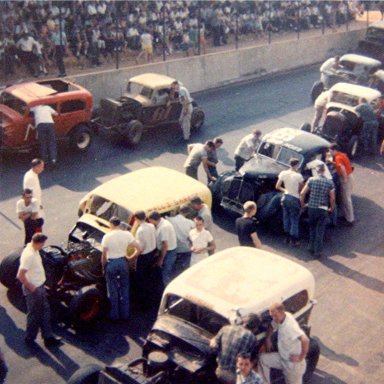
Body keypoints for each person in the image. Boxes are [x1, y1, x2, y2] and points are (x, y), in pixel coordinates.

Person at [17, 233, 62, 348]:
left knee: (45, 312)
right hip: (34, 290)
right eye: (42, 244)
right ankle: (30, 339)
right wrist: (31, 287)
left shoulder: (33, 249)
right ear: (39, 243)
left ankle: (48, 337)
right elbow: (20, 275)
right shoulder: (29, 255)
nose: (43, 246)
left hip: (39, 287)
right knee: (34, 315)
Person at [101, 217, 141, 320]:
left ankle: (114, 315)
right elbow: (139, 248)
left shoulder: (107, 236)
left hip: (112, 263)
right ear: (119, 224)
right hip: (123, 262)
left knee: (112, 289)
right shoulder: (126, 234)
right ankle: (125, 314)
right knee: (124, 287)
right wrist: (130, 259)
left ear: (111, 224)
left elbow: (104, 255)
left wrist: (103, 267)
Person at [258, 303, 309, 384]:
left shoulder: (290, 327)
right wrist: (268, 338)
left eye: (275, 315)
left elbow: (305, 339)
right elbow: (272, 325)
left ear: (282, 312)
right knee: (262, 359)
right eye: (272, 316)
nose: (273, 318)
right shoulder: (281, 318)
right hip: (282, 357)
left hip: (293, 365)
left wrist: (301, 357)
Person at [210, 314, 260, 384]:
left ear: (243, 321)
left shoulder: (226, 328)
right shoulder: (253, 339)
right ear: (255, 327)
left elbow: (214, 346)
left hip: (220, 371)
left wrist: (213, 340)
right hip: (235, 377)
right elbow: (251, 360)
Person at [300, 163, 335, 258]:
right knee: (320, 230)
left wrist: (303, 204)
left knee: (312, 227)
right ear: (324, 171)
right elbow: (332, 198)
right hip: (322, 208)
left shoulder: (311, 180)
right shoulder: (329, 183)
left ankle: (310, 247)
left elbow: (302, 193)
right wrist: (332, 207)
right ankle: (317, 251)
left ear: (316, 171)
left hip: (311, 208)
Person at [131, 211, 157, 308]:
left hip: (144, 257)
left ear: (136, 219)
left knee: (140, 281)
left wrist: (131, 258)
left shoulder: (140, 230)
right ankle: (151, 300)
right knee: (149, 278)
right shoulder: (151, 226)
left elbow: (140, 248)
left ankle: (143, 304)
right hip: (152, 254)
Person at [275, 158, 304, 246]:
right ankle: (294, 239)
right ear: (297, 165)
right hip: (294, 198)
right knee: (294, 219)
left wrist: (285, 190)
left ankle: (286, 237)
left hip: (285, 197)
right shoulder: (298, 176)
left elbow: (277, 186)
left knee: (286, 217)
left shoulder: (283, 173)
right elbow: (302, 188)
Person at [148, 211, 177, 286]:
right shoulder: (161, 223)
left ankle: (168, 293)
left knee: (166, 273)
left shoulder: (164, 227)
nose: (150, 222)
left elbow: (165, 245)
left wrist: (160, 260)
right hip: (165, 251)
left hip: (169, 252)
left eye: (150, 221)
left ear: (154, 219)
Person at [328, 144, 354, 226]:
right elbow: (338, 164)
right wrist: (331, 162)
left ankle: (350, 219)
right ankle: (346, 215)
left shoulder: (338, 157)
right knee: (343, 198)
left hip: (345, 177)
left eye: (331, 151)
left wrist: (345, 179)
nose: (330, 153)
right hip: (347, 176)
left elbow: (342, 168)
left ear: (334, 150)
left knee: (346, 199)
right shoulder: (341, 155)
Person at [168, 205, 195, 275]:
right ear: (188, 213)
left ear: (179, 211)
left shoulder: (171, 220)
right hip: (187, 248)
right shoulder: (190, 223)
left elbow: (165, 218)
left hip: (176, 249)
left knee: (175, 268)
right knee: (186, 269)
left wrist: (172, 213)